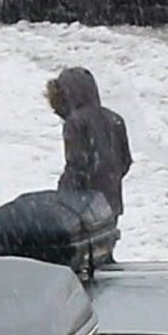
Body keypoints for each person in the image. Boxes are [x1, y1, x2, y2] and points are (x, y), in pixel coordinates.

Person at [48, 66, 132, 224]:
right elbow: (125, 161)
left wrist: (63, 196)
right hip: (111, 202)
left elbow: (76, 166)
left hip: (84, 206)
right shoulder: (115, 119)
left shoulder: (75, 123)